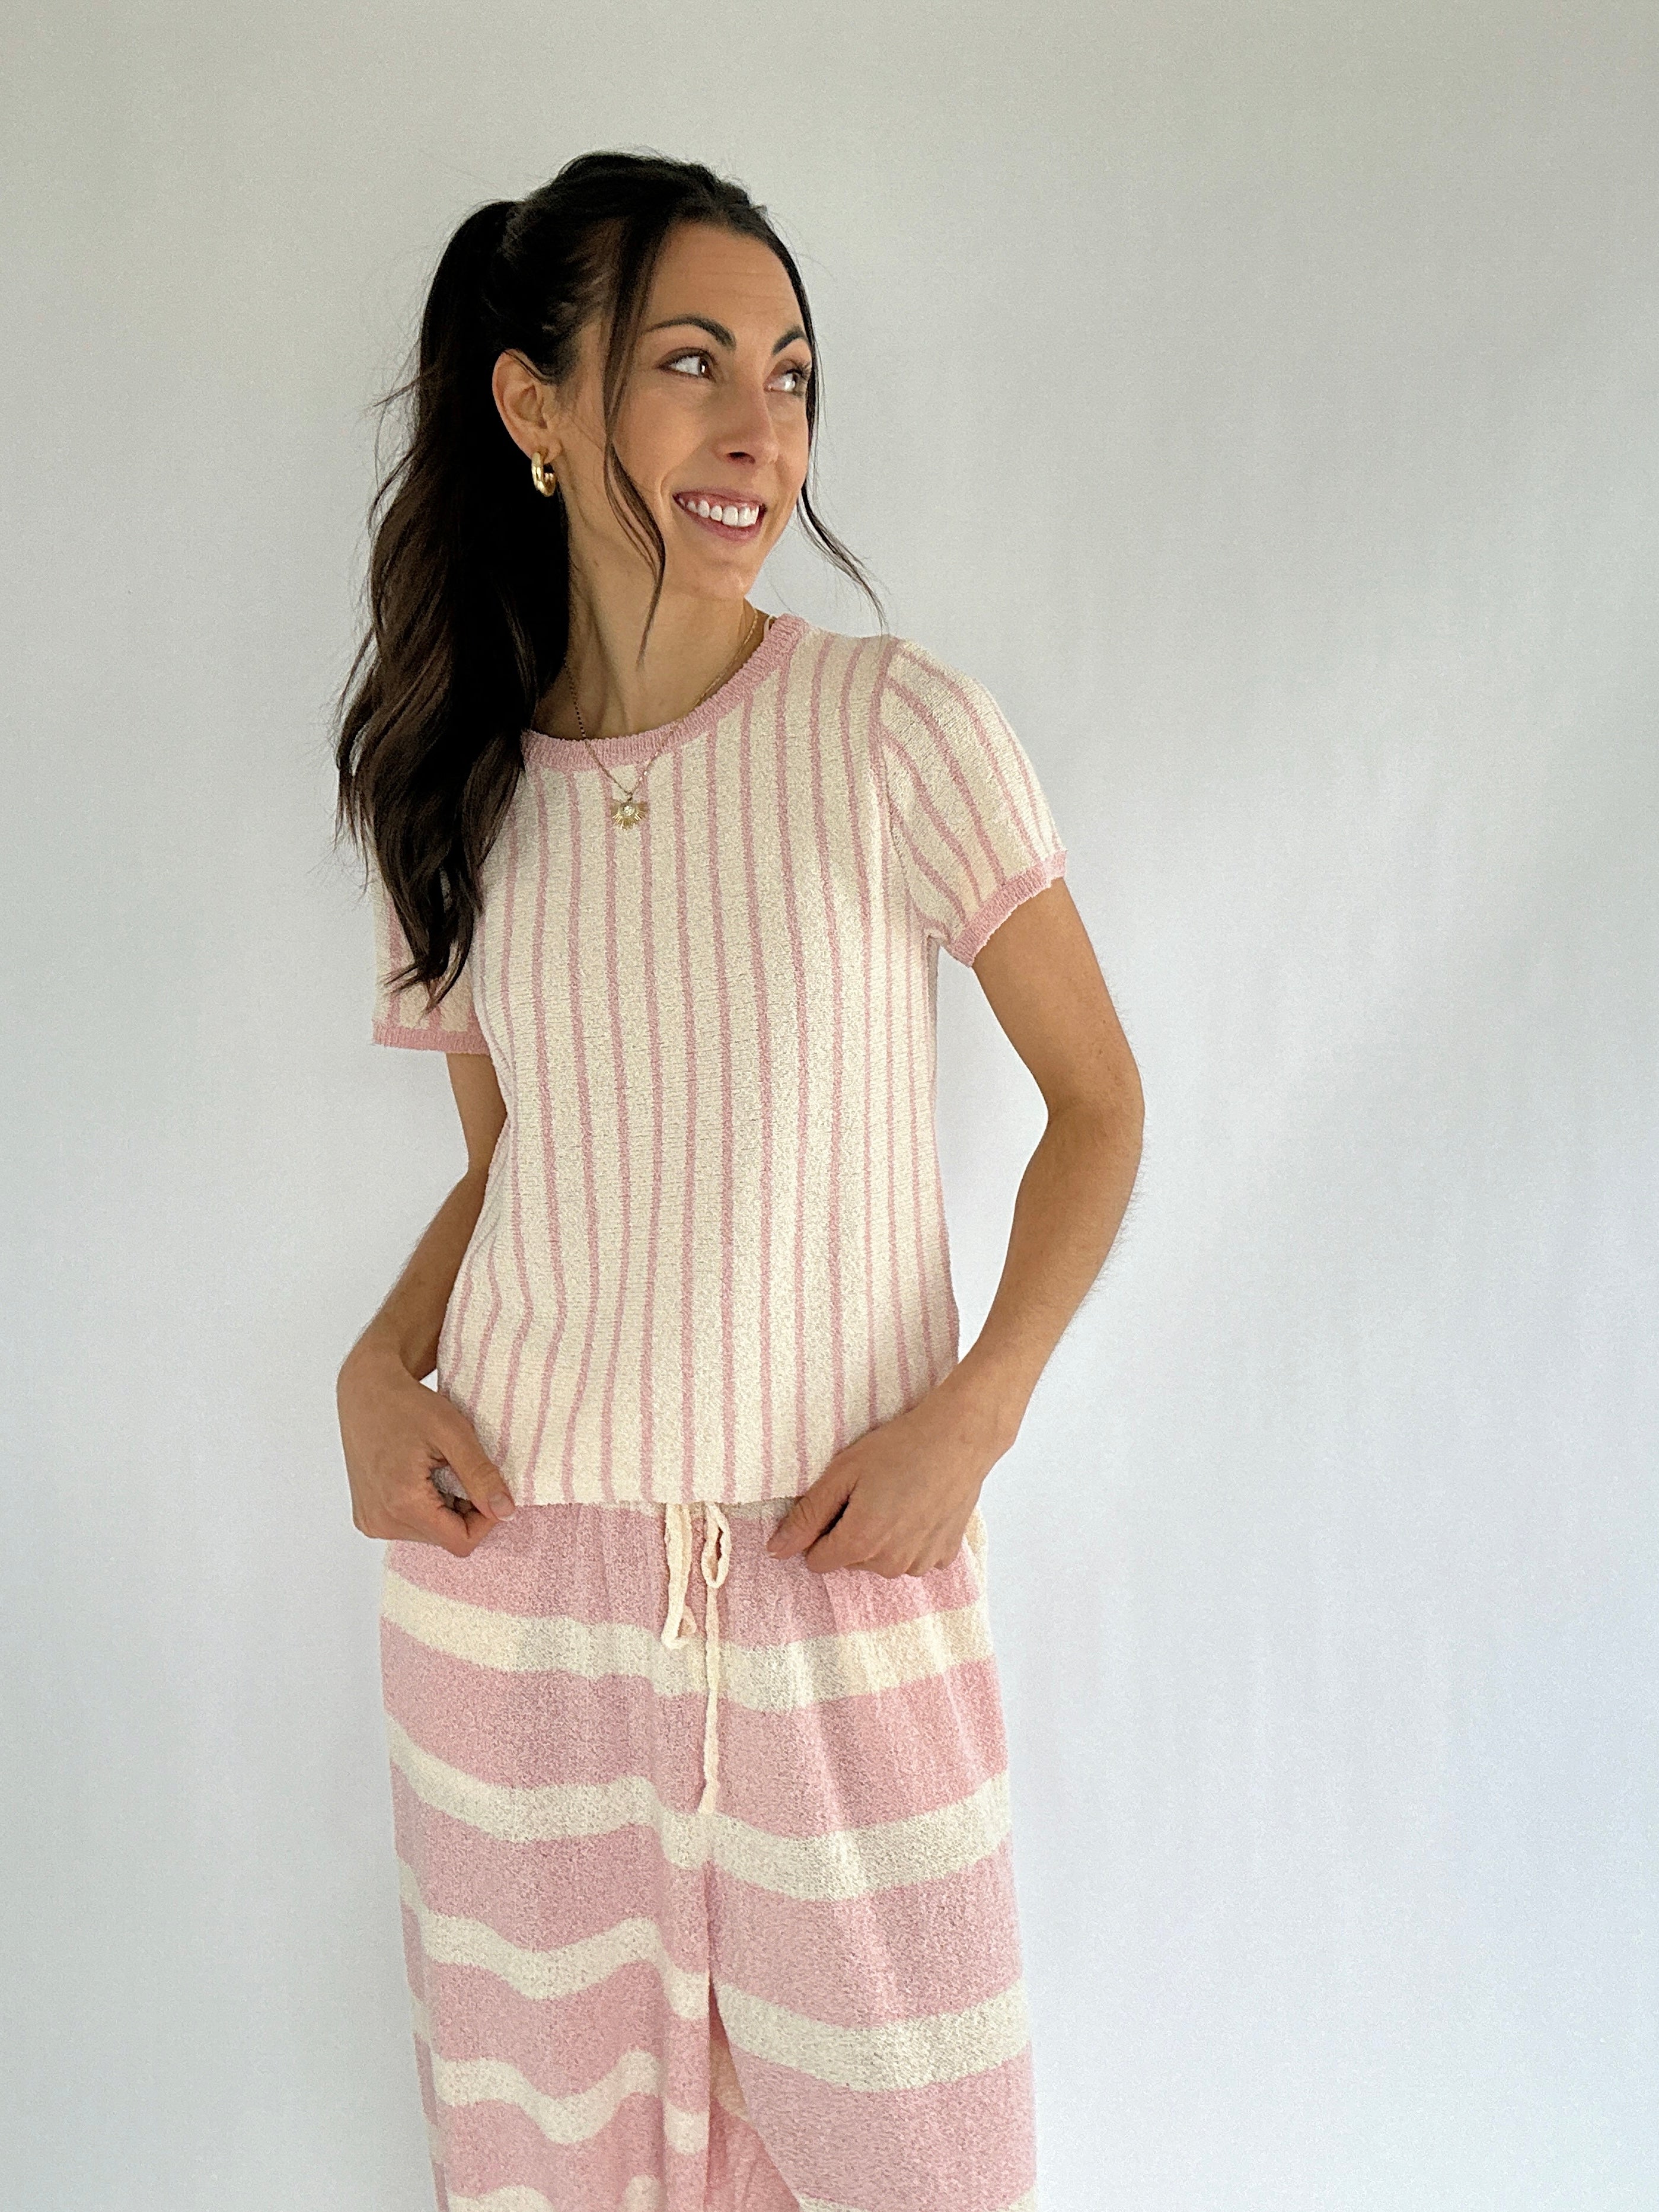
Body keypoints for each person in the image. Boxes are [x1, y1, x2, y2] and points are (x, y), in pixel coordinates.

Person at [333, 149, 1143, 2212]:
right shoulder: (461, 806)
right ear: (539, 403)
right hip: (524, 1598)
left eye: (789, 372)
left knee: (924, 2166)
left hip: (834, 1573)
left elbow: (1100, 1102)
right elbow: (525, 1174)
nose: (759, 427)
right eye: (693, 364)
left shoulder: (895, 732)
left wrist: (979, 1410)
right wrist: (376, 1360)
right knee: (546, 2176)